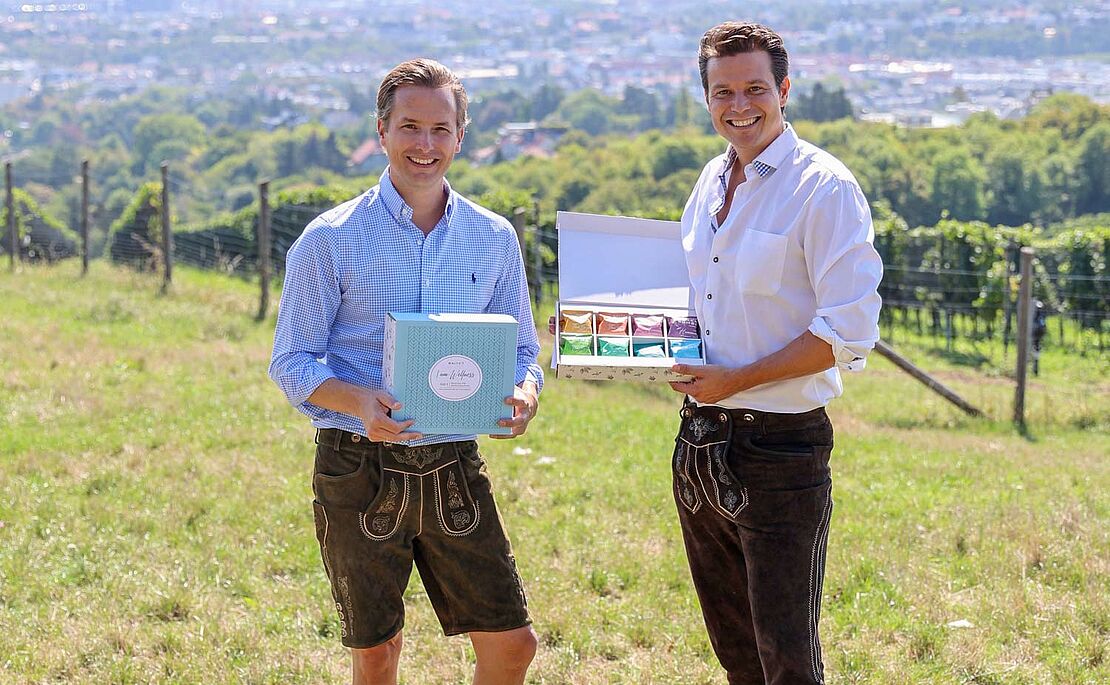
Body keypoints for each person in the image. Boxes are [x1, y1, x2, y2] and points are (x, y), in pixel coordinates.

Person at [268, 58, 542, 685]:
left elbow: (524, 351)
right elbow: (291, 362)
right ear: (383, 130)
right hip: (358, 464)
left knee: (512, 645)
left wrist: (524, 392)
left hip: (453, 462)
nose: (425, 145)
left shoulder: (493, 237)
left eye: (440, 130)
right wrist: (361, 402)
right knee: (378, 653)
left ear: (460, 136)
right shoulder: (329, 238)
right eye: (411, 127)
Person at [667, 22, 883, 685]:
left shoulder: (824, 188)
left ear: (784, 90)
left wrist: (734, 380)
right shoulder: (708, 180)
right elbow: (699, 298)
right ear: (706, 98)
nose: (740, 106)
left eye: (755, 88)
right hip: (699, 442)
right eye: (723, 92)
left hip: (782, 452)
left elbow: (846, 331)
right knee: (736, 654)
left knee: (788, 660)